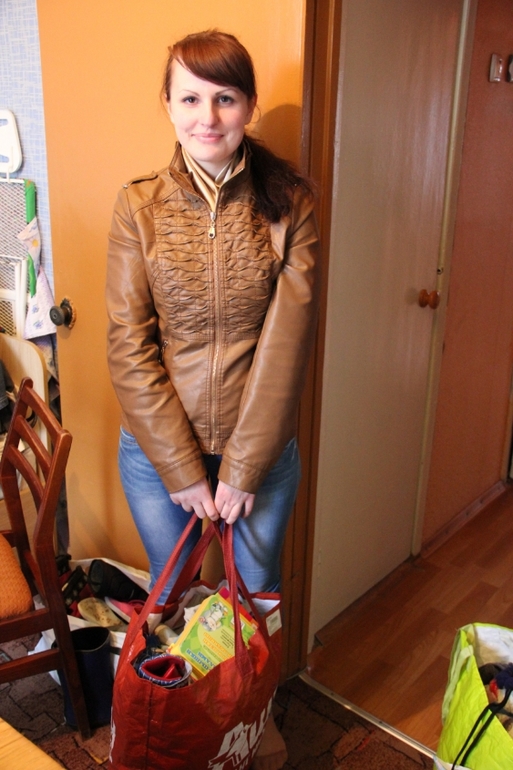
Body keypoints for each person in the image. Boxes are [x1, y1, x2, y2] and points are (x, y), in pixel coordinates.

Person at [106, 29, 321, 770]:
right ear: (168, 105)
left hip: (259, 457)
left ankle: (251, 724)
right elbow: (129, 346)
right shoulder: (137, 207)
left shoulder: (290, 205)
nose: (207, 116)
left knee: (252, 599)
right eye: (191, 98)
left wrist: (242, 469)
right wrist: (182, 470)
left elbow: (286, 345)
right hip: (157, 458)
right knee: (172, 597)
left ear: (248, 106)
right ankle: (186, 731)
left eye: (224, 98)